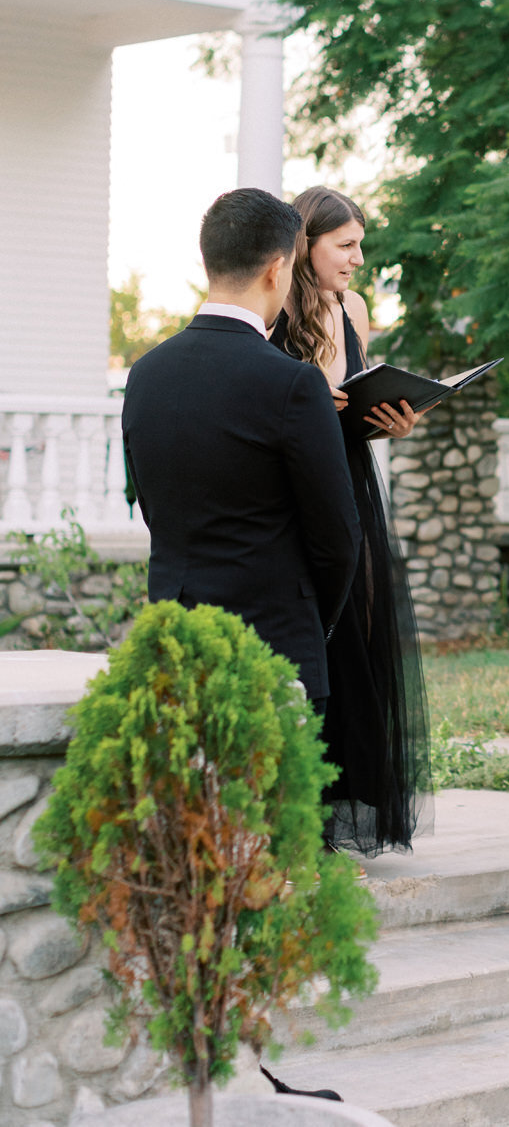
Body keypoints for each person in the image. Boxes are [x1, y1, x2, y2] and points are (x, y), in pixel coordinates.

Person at [122, 188, 362, 708]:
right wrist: (308, 615)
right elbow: (338, 537)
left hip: (175, 640)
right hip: (273, 644)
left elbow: (150, 504)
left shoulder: (145, 374)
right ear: (278, 269)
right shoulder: (294, 384)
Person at [269, 186, 432, 856]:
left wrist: (390, 421)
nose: (359, 257)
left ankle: (343, 807)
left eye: (361, 243)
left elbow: (355, 405)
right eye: (346, 244)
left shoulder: (353, 307)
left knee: (359, 636)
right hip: (294, 492)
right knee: (312, 635)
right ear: (306, 243)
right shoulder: (273, 306)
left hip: (353, 480)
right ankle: (295, 810)